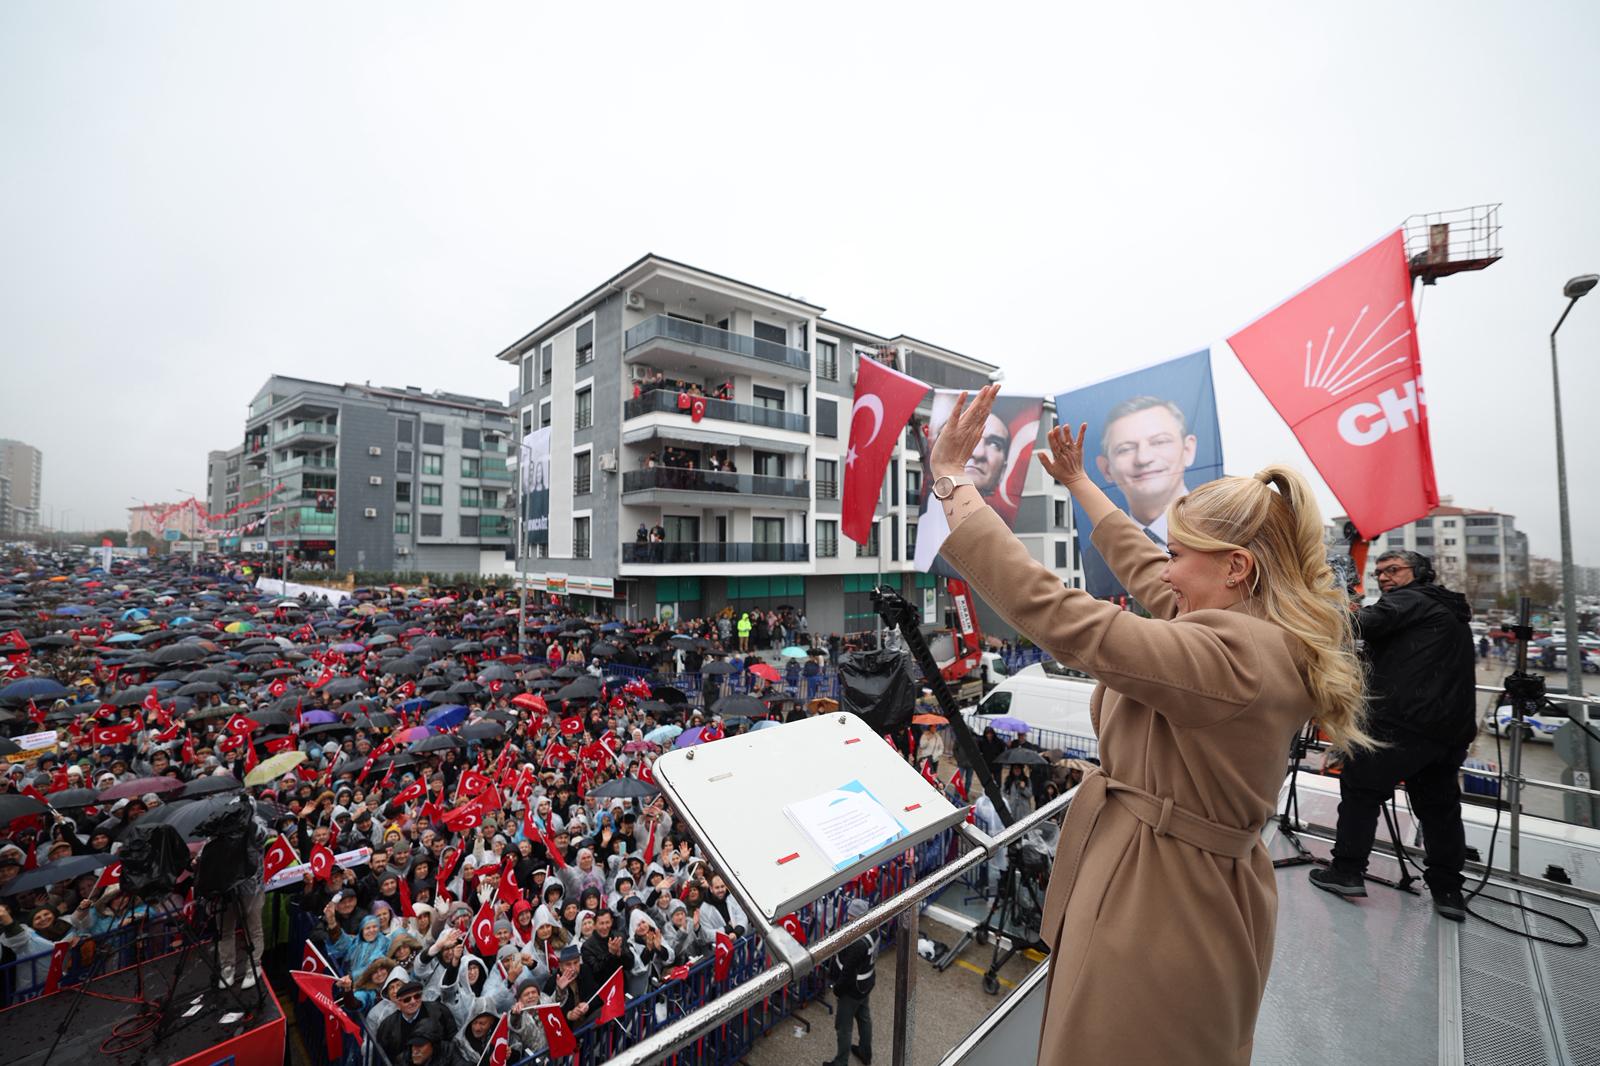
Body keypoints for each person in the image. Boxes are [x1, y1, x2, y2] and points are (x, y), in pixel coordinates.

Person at [924, 385, 1371, 1065]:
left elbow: (1065, 619)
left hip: (1163, 907)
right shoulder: (1248, 629)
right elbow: (1140, 560)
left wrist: (954, 485)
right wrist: (1078, 483)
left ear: (1235, 568)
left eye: (1181, 553)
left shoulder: (1229, 658)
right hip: (1177, 883)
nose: (1167, 570)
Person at [1311, 549, 1476, 920]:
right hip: (1449, 731)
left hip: (1402, 722)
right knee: (1439, 809)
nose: (1384, 577)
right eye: (1380, 572)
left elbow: (1358, 624)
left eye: (1393, 570)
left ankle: (1347, 871)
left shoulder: (1409, 599)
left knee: (1360, 791)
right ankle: (1447, 890)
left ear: (1417, 574)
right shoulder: (1447, 608)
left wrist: (1325, 603)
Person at [1079, 395, 1200, 599]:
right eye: (1125, 449)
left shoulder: (1224, 532)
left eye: (1160, 441)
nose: (1143, 458)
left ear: (1188, 449)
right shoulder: (1098, 556)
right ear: (1106, 468)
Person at [824, 897, 876, 1066]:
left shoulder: (857, 942)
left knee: (843, 1027)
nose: (848, 918)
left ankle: (841, 1062)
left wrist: (837, 989)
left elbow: (847, 972)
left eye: (851, 916)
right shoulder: (873, 930)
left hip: (851, 990)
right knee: (864, 1017)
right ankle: (865, 1052)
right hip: (865, 983)